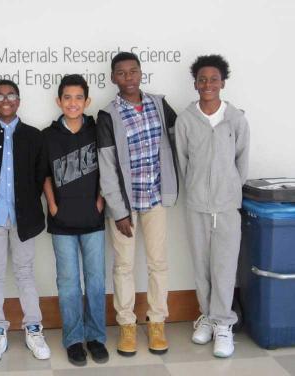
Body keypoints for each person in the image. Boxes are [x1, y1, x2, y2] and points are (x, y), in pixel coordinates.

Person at [96, 52, 178, 356]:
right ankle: (127, 325)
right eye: (122, 73)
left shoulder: (159, 104)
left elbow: (179, 141)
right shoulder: (108, 115)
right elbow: (106, 166)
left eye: (133, 71)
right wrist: (117, 211)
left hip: (155, 198)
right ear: (114, 78)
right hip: (125, 206)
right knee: (124, 266)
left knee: (159, 263)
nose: (128, 78)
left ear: (141, 73)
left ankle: (157, 322)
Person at [175, 54, 249, 358]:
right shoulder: (185, 120)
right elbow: (183, 161)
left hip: (227, 205)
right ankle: (206, 317)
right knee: (202, 266)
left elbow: (241, 161)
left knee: (224, 266)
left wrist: (229, 189)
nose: (208, 84)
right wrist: (196, 189)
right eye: (202, 79)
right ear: (195, 83)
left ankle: (223, 324)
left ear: (223, 83)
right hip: (196, 206)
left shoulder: (236, 119)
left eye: (214, 79)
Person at [0, 79, 51, 363]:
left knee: (25, 273)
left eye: (11, 96)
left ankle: (33, 328)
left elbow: (39, 176)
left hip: (24, 218)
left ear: (19, 101)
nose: (5, 100)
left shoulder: (34, 136)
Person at [42, 74, 108, 366]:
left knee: (95, 281)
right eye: (67, 97)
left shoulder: (97, 131)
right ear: (59, 101)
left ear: (87, 101)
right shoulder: (48, 135)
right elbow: (44, 175)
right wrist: (53, 206)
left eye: (78, 97)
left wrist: (100, 201)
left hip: (93, 220)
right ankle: (73, 339)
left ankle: (95, 337)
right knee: (68, 283)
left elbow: (108, 168)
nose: (73, 103)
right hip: (62, 223)